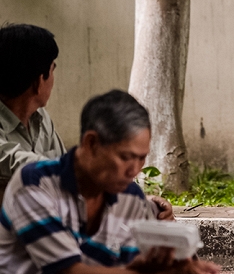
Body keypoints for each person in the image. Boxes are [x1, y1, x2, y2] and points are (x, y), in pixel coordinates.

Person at [0, 90, 234, 274]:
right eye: (126, 157)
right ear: (91, 143)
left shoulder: (130, 197)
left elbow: (127, 271)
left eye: (142, 158)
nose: (135, 170)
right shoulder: (34, 184)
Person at [0, 23, 172, 218]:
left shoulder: (40, 120)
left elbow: (64, 172)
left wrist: (132, 201)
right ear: (40, 80)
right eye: (52, 70)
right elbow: (21, 163)